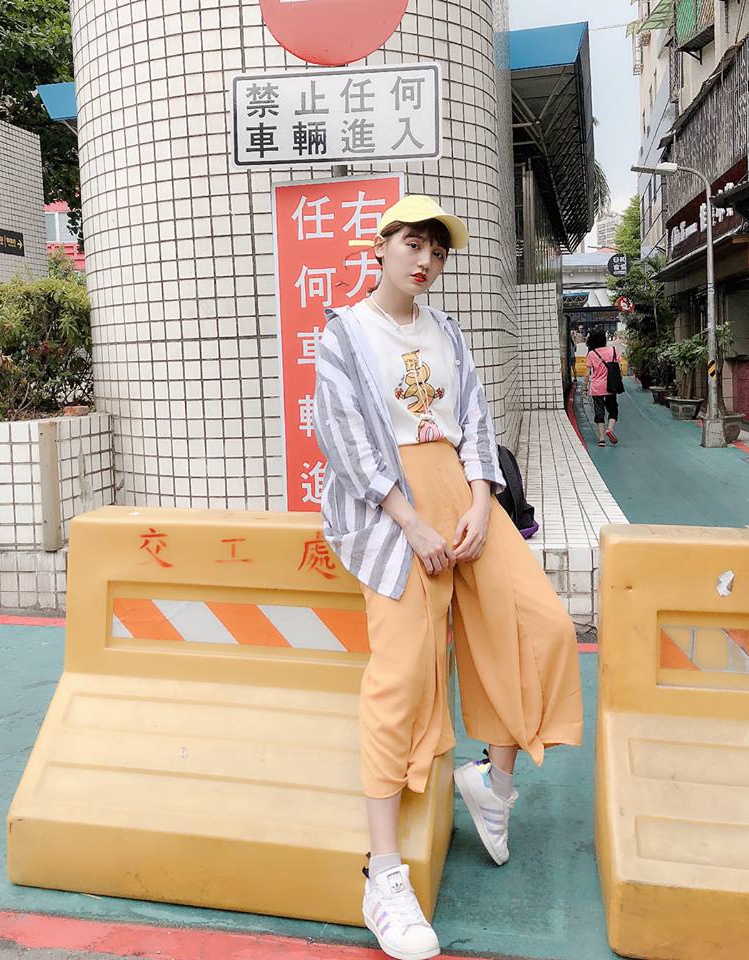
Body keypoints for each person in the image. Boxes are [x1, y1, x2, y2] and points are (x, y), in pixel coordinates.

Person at [313, 195, 583, 960]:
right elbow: (344, 437)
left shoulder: (449, 332)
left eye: (436, 250)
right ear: (379, 248)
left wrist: (481, 498)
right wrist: (410, 520)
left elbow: (477, 424)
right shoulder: (344, 333)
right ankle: (383, 875)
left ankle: (492, 786)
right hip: (391, 509)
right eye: (412, 244)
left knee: (539, 625)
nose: (425, 260)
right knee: (402, 676)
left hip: (464, 499)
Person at [584, 328, 620, 446]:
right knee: (613, 409)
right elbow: (618, 367)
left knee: (599, 412)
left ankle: (601, 439)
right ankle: (609, 428)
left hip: (596, 387)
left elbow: (587, 374)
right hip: (611, 386)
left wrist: (584, 388)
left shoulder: (591, 354)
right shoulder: (613, 350)